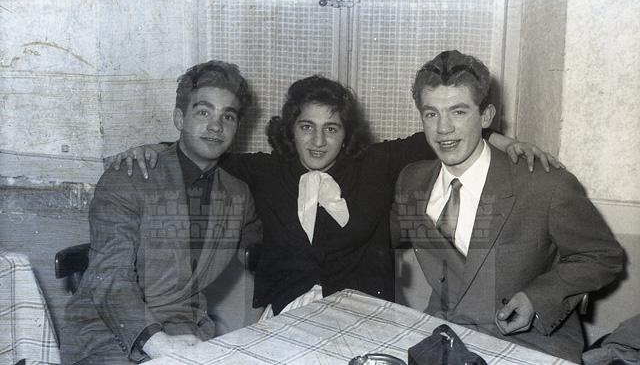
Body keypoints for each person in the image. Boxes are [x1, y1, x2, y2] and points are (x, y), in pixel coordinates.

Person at [108, 74, 561, 318]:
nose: (319, 141)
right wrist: (153, 149)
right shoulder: (265, 171)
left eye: (332, 128)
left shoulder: (375, 165)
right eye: (307, 127)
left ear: (347, 134)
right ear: (290, 130)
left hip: (366, 315)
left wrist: (503, 141)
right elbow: (204, 149)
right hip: (287, 313)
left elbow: (443, 138)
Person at [391, 50, 624, 362]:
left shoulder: (545, 184)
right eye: (431, 114)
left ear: (486, 116)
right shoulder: (412, 181)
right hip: (447, 336)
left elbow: (602, 256)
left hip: (531, 343)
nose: (443, 129)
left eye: (458, 112)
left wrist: (537, 298)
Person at [61, 61, 261, 364]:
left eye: (228, 116)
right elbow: (109, 276)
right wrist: (157, 343)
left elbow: (262, 248)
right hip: (108, 333)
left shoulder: (238, 193)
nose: (216, 126)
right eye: (203, 112)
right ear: (180, 118)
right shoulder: (129, 176)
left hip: (187, 329)